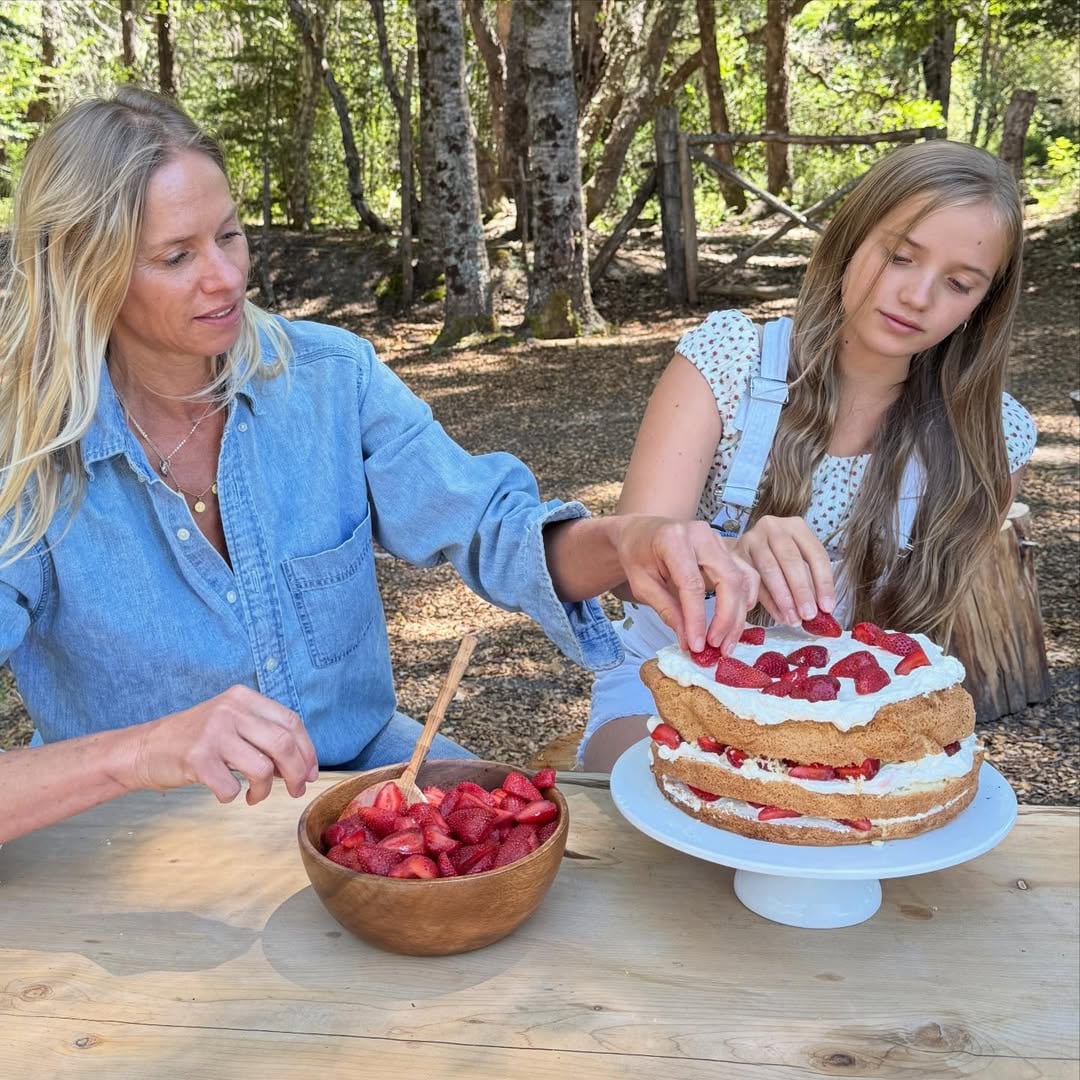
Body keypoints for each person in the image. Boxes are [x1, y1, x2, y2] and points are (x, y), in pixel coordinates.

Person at [0, 88, 759, 844]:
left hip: (361, 780)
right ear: (82, 273)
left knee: (565, 868)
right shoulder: (24, 458)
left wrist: (629, 541)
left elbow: (492, 528)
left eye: (228, 236)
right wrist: (141, 753)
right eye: (176, 256)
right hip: (123, 831)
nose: (228, 278)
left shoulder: (332, 379)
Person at [581, 138, 1037, 771]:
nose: (918, 296)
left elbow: (920, 637)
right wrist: (729, 556)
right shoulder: (730, 363)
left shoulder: (994, 437)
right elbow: (632, 568)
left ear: (982, 306)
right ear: (850, 241)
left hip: (856, 712)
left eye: (959, 283)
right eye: (902, 257)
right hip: (672, 683)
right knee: (648, 787)